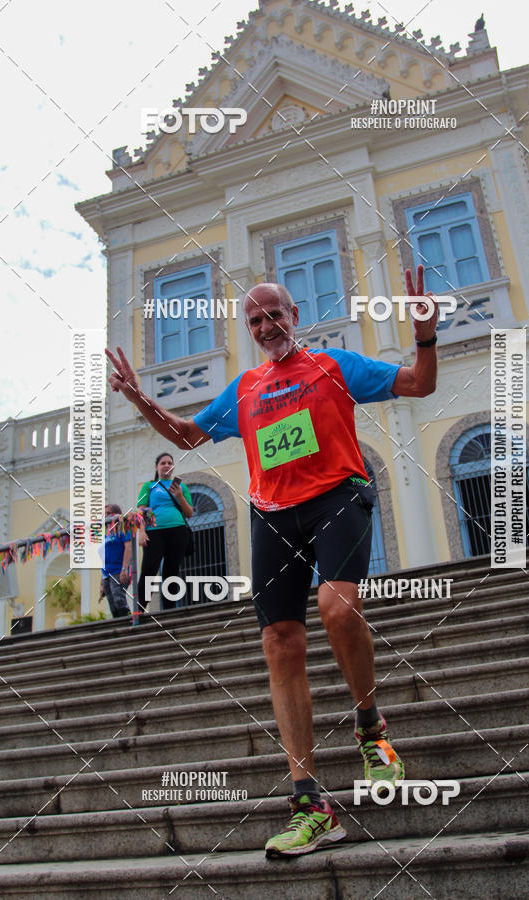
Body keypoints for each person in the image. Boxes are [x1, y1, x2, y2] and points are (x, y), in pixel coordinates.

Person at [106, 265, 438, 857]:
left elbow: (418, 384)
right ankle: (311, 805)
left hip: (338, 496)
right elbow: (186, 436)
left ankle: (371, 731)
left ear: (294, 315)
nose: (264, 325)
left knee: (337, 610)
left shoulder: (333, 366)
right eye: (253, 319)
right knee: (280, 642)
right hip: (272, 514)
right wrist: (138, 399)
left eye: (273, 313)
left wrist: (425, 335)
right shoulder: (245, 387)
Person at [136, 453, 194, 611]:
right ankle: (139, 609)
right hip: (154, 532)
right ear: (157, 467)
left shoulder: (181, 487)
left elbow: (189, 513)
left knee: (172, 571)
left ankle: (170, 610)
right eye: (163, 463)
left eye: (169, 463)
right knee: (149, 569)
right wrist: (142, 531)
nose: (167, 465)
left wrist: (179, 496)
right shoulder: (150, 486)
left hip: (178, 531)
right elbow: (143, 510)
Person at [100, 503, 131, 618]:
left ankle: (128, 625)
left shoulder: (123, 529)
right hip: (106, 574)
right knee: (112, 604)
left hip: (118, 570)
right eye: (105, 514)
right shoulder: (106, 534)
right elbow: (103, 557)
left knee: (119, 599)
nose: (106, 516)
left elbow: (128, 547)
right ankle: (119, 627)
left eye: (109, 513)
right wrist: (101, 581)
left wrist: (124, 569)